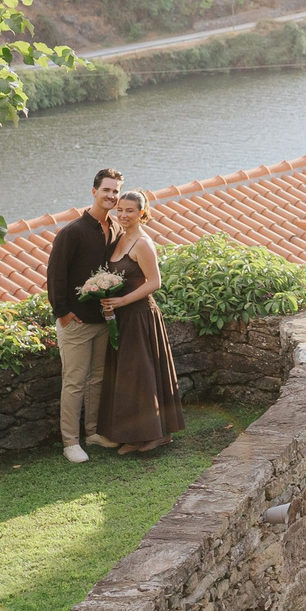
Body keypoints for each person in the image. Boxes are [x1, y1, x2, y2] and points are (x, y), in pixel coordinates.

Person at [45, 166, 126, 463]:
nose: (111, 196)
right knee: (75, 382)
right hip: (75, 322)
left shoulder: (116, 229)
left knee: (97, 380)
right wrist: (63, 314)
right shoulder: (72, 232)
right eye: (106, 190)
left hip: (103, 321)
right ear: (94, 191)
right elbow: (56, 276)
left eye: (116, 191)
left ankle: (92, 432)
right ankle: (70, 442)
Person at [97, 189, 184, 454]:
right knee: (126, 376)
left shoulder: (143, 244)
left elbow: (155, 282)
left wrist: (123, 301)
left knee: (140, 376)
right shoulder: (120, 237)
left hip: (139, 316)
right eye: (120, 210)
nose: (123, 215)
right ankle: (133, 434)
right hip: (121, 317)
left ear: (142, 213)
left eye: (130, 211)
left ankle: (153, 436)